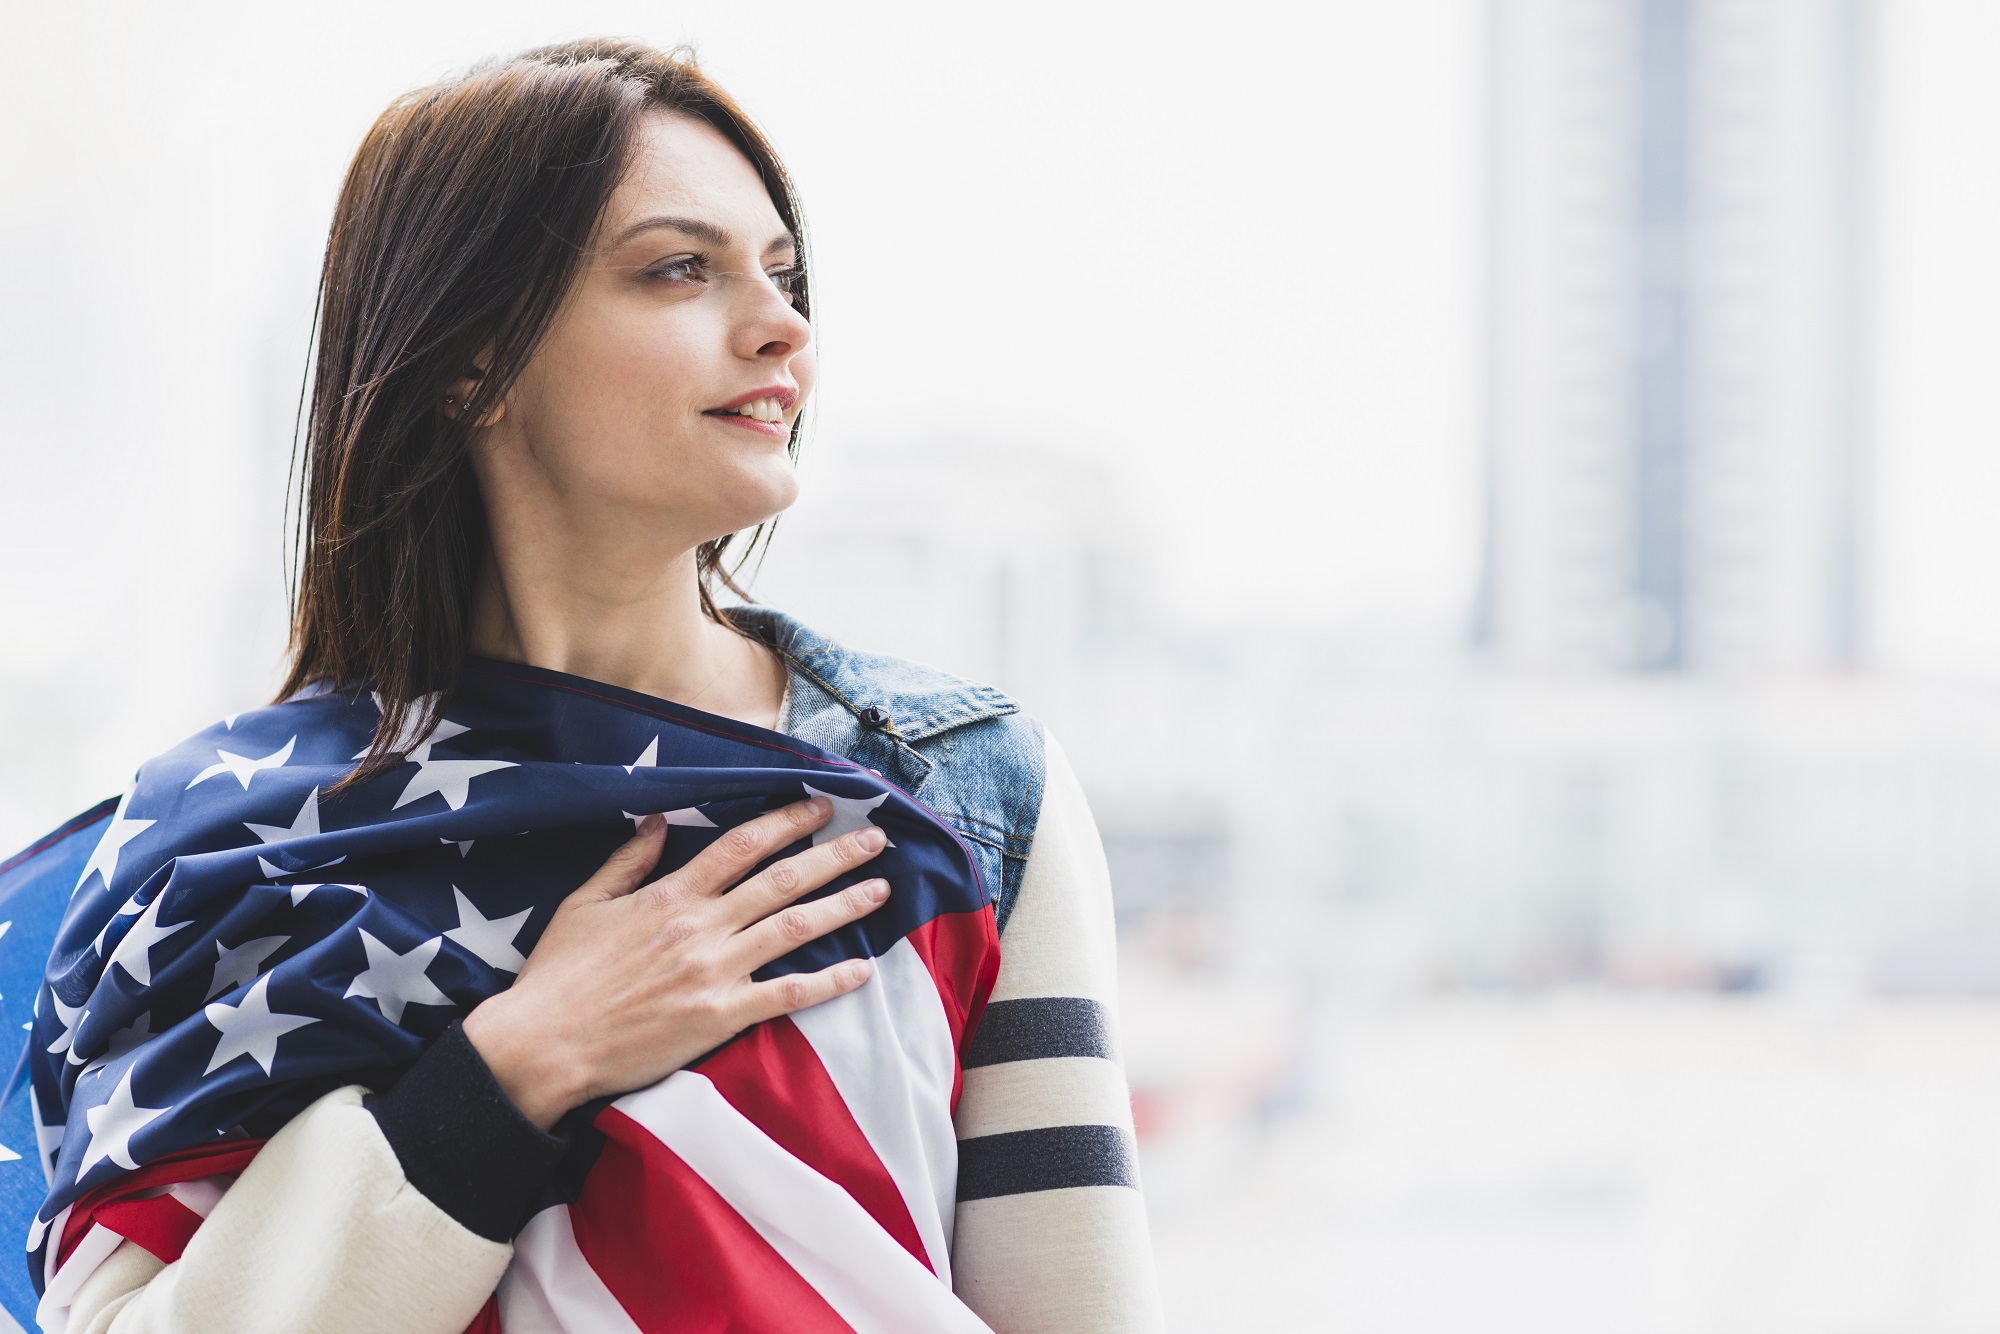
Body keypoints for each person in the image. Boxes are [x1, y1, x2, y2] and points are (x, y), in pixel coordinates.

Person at [37, 37, 1161, 1334]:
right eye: (680, 268)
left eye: (783, 276)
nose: (781, 324)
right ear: (472, 357)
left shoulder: (961, 789)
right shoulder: (224, 849)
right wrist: (515, 1066)